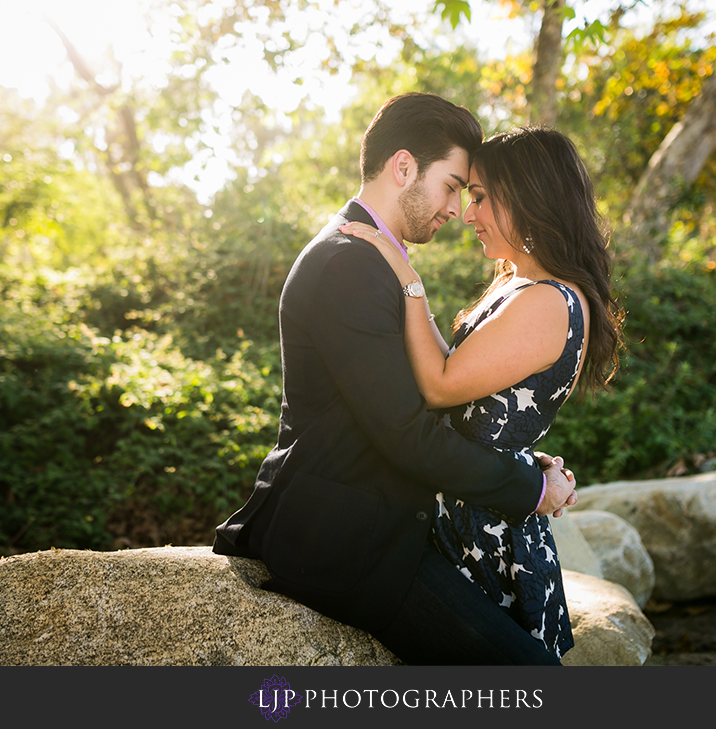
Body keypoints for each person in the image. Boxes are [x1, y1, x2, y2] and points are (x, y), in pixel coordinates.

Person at [213, 94, 577, 665]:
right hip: (349, 541)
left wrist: (528, 463)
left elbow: (438, 398)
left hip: (386, 526)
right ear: (404, 167)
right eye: (454, 185)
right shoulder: (348, 263)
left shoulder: (371, 256)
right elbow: (407, 432)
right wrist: (530, 489)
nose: (458, 209)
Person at [338, 126, 624, 660]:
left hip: (486, 535)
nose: (468, 215)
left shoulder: (549, 300)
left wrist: (406, 276)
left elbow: (441, 385)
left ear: (531, 198)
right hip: (464, 508)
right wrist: (533, 460)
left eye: (481, 197)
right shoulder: (516, 282)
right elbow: (470, 381)